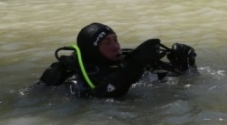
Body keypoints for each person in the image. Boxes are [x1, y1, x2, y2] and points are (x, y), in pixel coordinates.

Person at [37, 22, 197, 98]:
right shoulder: (74, 79)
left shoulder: (128, 62)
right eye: (106, 43)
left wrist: (186, 64)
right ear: (92, 50)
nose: (115, 46)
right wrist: (132, 68)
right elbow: (95, 101)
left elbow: (184, 83)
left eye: (116, 40)